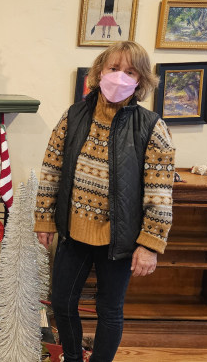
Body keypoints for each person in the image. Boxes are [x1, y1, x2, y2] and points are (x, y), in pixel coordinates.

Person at [33, 41, 175, 362]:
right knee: (62, 303)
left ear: (140, 81)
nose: (119, 76)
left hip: (120, 240)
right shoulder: (73, 116)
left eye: (130, 72)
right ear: (99, 72)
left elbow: (160, 192)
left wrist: (150, 244)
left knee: (109, 309)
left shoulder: (152, 127)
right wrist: (44, 220)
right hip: (75, 233)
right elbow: (52, 169)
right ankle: (72, 357)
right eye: (113, 68)